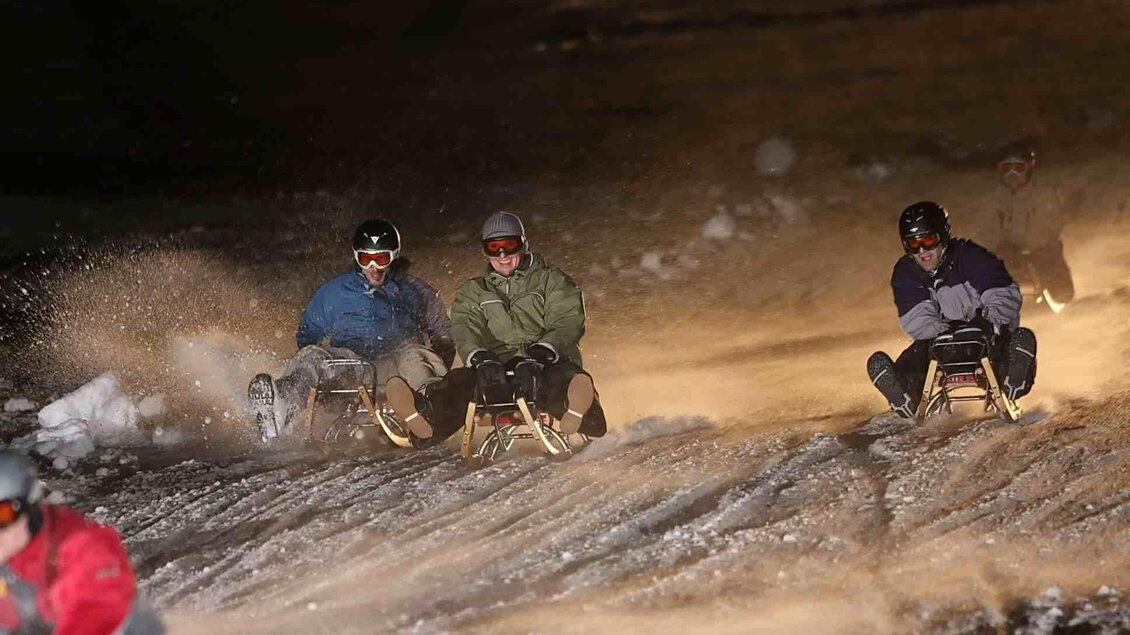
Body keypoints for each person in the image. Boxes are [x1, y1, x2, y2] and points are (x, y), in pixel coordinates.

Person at [382, 211, 607, 444]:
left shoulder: (552, 281)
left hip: (546, 362)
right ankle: (425, 414)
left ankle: (578, 406)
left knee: (555, 379)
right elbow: (466, 328)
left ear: (523, 244)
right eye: (494, 247)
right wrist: (479, 356)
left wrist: (543, 352)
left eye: (509, 246)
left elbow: (567, 321)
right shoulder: (474, 291)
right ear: (485, 251)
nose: (502, 255)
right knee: (461, 383)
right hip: (496, 368)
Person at [247, 218, 454, 440]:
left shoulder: (414, 290)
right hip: (354, 366)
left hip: (398, 368)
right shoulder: (335, 292)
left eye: (381, 259)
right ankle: (284, 402)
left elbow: (443, 334)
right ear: (356, 257)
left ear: (393, 256)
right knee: (313, 357)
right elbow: (308, 334)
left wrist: (440, 363)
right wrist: (324, 382)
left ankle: (431, 407)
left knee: (418, 357)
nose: (374, 268)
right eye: (366, 259)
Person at [867, 202, 1038, 418]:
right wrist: (942, 335)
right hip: (942, 343)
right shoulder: (907, 271)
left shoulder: (970, 257)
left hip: (987, 333)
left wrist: (989, 322)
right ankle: (906, 391)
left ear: (943, 236)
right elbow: (916, 316)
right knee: (919, 352)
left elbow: (1003, 294)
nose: (922, 251)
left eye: (929, 240)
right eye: (914, 243)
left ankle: (1013, 379)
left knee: (1007, 344)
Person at [0, 450, 164, 635]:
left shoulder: (80, 547)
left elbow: (95, 613)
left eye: (2, 514)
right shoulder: (9, 555)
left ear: (31, 506)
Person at [982, 145, 1075, 307]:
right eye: (1006, 169)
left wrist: (1028, 249)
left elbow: (1050, 226)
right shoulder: (994, 200)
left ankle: (1051, 298)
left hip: (1042, 252)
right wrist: (999, 248)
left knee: (1062, 292)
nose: (1012, 175)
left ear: (1028, 169)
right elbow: (985, 231)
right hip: (1007, 255)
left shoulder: (1043, 195)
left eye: (1018, 168)